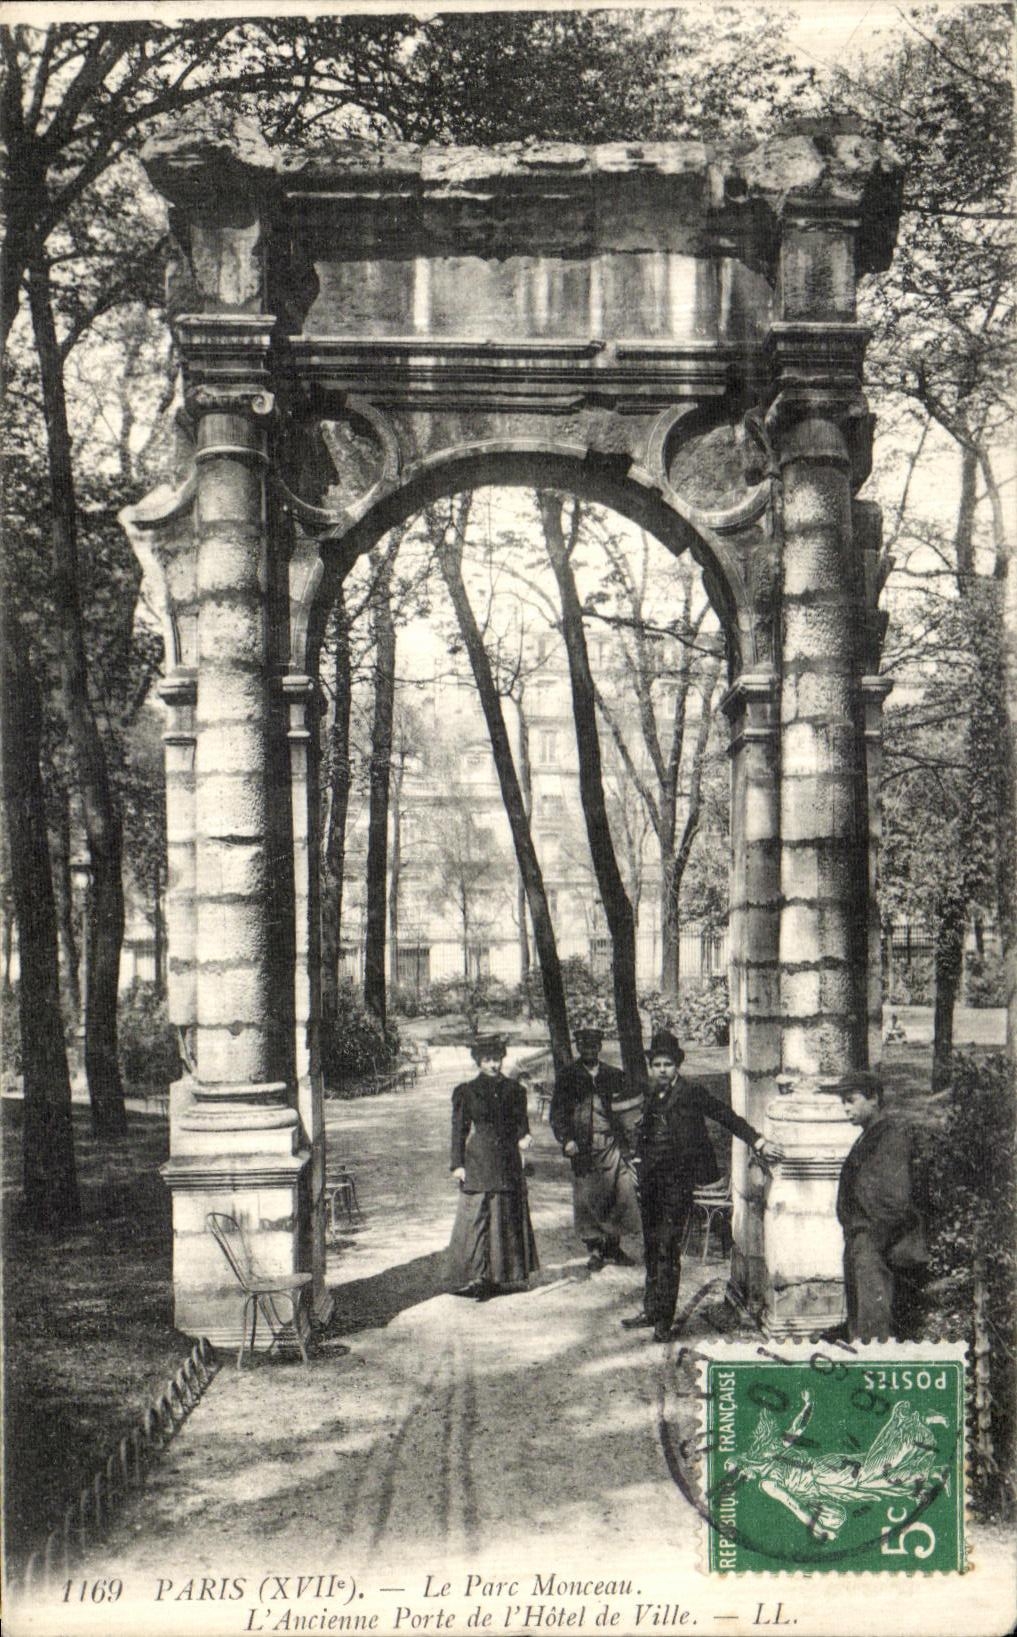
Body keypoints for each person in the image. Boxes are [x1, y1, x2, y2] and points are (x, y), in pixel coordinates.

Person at [621, 1028, 780, 1343]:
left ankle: (663, 1321)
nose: (662, 1070)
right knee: (652, 1247)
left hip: (677, 1184)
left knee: (667, 1247)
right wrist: (637, 1159)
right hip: (650, 1183)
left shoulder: (692, 1093)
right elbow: (644, 1133)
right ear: (652, 1067)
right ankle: (651, 1309)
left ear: (677, 1065)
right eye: (657, 1065)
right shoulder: (653, 1093)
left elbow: (726, 1116)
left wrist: (758, 1141)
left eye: (667, 1064)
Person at [834, 1071, 928, 1341]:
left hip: (875, 1245)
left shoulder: (890, 1137)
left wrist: (871, 1240)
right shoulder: (869, 1136)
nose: (846, 1108)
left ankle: (874, 1376)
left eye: (851, 1100)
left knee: (873, 1327)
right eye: (843, 1101)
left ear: (874, 1099)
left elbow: (894, 1200)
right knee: (861, 1321)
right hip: (861, 1242)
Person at [447, 1033, 538, 1301]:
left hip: (507, 1159)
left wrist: (525, 1137)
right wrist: (457, 1164)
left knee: (504, 1215)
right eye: (487, 1060)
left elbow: (522, 1124)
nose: (493, 1065)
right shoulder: (466, 1091)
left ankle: (501, 1276)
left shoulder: (515, 1090)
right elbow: (459, 1130)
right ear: (478, 1061)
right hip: (478, 1159)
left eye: (497, 1059)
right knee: (476, 1218)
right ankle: (478, 1277)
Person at [550, 1025, 641, 1271]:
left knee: (619, 1194)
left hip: (612, 1144)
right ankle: (596, 1250)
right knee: (588, 1198)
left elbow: (628, 1111)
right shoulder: (568, 1076)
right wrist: (566, 1139)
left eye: (593, 1045)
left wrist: (631, 1144)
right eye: (583, 1045)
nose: (588, 1050)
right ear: (578, 1047)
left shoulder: (614, 1074)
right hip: (583, 1147)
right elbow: (557, 1113)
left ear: (599, 1047)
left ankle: (614, 1246)